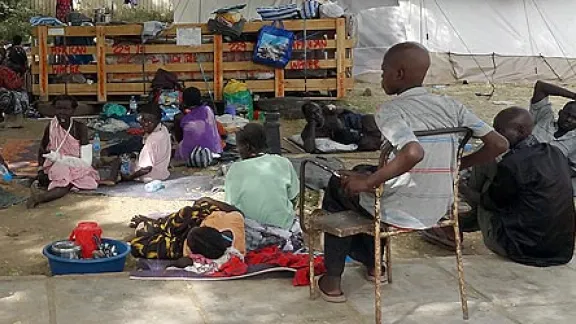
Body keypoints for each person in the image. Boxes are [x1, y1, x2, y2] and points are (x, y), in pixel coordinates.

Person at [316, 42, 508, 303]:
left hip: (399, 209)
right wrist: (457, 164)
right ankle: (375, 267)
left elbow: (413, 152)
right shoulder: (452, 106)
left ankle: (333, 281)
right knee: (362, 171)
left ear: (399, 74)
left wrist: (369, 182)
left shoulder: (391, 110)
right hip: (440, 207)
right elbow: (499, 143)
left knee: (340, 185)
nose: (381, 77)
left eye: (384, 71)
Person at [454, 107, 574, 266]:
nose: (496, 135)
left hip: (521, 250)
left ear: (521, 130)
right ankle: (468, 219)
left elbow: (490, 203)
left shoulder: (512, 164)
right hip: (560, 251)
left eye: (500, 131)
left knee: (486, 157)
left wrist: (462, 189)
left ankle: (464, 221)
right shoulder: (554, 153)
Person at [224, 123, 300, 230]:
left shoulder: (235, 169)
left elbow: (231, 204)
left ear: (247, 146)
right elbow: (293, 196)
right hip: (284, 226)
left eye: (238, 146)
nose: (238, 150)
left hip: (251, 230)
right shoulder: (283, 162)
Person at [28, 95, 100, 208]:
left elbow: (86, 160)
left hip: (77, 164)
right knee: (64, 178)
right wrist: (40, 169)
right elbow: (42, 148)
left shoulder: (80, 128)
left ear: (73, 110)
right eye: (59, 108)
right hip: (56, 164)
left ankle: (41, 197)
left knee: (71, 181)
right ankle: (44, 193)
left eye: (66, 109)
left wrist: (66, 161)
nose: (62, 112)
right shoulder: (51, 126)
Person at [130, 197, 245, 260]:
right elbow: (237, 212)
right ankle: (158, 224)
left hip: (181, 242)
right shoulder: (234, 222)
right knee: (188, 214)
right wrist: (208, 200)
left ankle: (156, 224)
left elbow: (135, 246)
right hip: (201, 217)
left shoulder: (186, 252)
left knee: (142, 235)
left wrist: (179, 263)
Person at [529, 81, 576, 182]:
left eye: (574, 118)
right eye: (567, 114)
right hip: (519, 165)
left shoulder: (574, 141)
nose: (569, 120)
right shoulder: (544, 117)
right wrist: (574, 96)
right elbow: (541, 86)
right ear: (560, 112)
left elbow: (572, 170)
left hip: (544, 180)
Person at [301, 101, 382, 153]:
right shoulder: (309, 130)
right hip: (354, 137)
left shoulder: (327, 112)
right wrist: (312, 123)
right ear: (306, 117)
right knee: (373, 143)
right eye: (312, 114)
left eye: (317, 111)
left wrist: (336, 109)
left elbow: (345, 111)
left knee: (374, 122)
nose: (317, 115)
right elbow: (309, 149)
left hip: (358, 121)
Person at [121, 103, 171, 183]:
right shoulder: (163, 129)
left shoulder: (152, 140)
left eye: (150, 122)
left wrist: (130, 177)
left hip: (149, 177)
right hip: (163, 173)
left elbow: (146, 169)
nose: (146, 124)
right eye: (143, 120)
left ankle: (110, 180)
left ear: (157, 120)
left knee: (118, 161)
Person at [174, 87, 224, 163]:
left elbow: (180, 138)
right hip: (215, 151)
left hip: (192, 156)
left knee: (180, 146)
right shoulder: (208, 110)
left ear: (184, 101)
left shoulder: (180, 118)